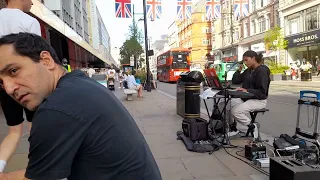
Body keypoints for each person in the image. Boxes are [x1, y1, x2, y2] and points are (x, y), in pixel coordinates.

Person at [0, 33, 161, 180]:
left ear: (46, 61)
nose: (8, 88)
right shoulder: (79, 83)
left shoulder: (55, 110)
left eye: (13, 71)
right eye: (1, 82)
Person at [0, 0, 39, 173]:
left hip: (3, 84)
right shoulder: (29, 22)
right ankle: (34, 171)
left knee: (14, 132)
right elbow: (36, 60)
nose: (31, 2)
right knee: (35, 129)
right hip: (28, 84)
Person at [220, 50, 270, 137]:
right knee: (222, 105)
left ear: (253, 58)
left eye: (246, 60)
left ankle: (252, 126)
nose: (245, 63)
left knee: (235, 111)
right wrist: (238, 70)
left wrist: (247, 90)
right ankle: (233, 128)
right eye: (244, 61)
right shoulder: (248, 71)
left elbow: (262, 92)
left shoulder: (262, 71)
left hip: (258, 100)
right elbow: (236, 80)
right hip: (245, 98)